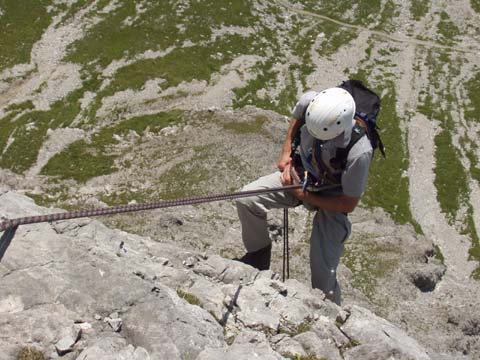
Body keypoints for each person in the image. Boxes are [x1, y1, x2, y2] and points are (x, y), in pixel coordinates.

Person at [235, 86, 373, 305]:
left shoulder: (360, 151)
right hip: (303, 175)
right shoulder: (310, 102)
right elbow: (296, 121)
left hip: (333, 197)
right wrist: (286, 154)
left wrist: (304, 195)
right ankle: (258, 257)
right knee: (246, 199)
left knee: (323, 279)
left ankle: (332, 315)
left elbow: (348, 203)